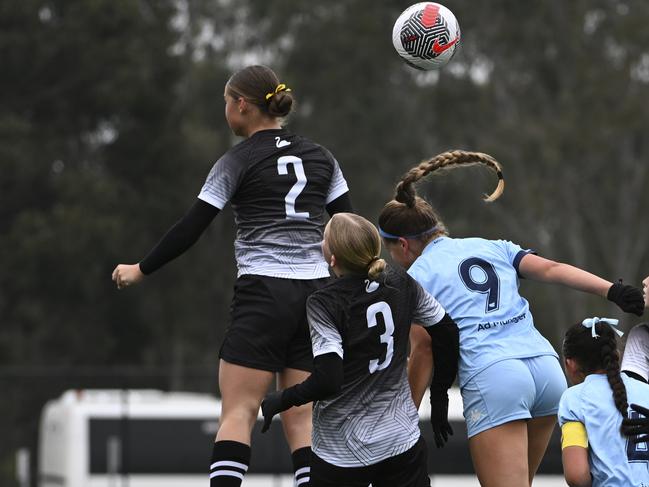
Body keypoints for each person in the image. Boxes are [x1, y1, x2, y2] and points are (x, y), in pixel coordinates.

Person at [111, 65, 353, 487]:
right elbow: (350, 227)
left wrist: (141, 268)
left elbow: (192, 225)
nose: (226, 110)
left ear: (242, 105)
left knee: (238, 411)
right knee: (302, 420)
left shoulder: (237, 160)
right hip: (318, 296)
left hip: (264, 291)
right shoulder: (322, 156)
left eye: (226, 102)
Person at [376, 150, 645, 487]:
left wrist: (404, 419)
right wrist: (612, 291)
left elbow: (424, 350)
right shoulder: (492, 246)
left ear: (402, 245)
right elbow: (552, 268)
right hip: (546, 370)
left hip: (495, 377)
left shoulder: (417, 275)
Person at [259, 213, 460, 487]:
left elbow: (329, 380)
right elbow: (447, 331)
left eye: (324, 237)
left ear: (332, 258)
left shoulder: (324, 303)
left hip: (341, 453)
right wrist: (439, 398)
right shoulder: (401, 282)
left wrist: (281, 399)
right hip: (400, 443)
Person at [559, 317, 649, 487]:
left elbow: (577, 476)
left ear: (569, 364)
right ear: (617, 355)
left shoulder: (573, 399)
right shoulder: (646, 391)